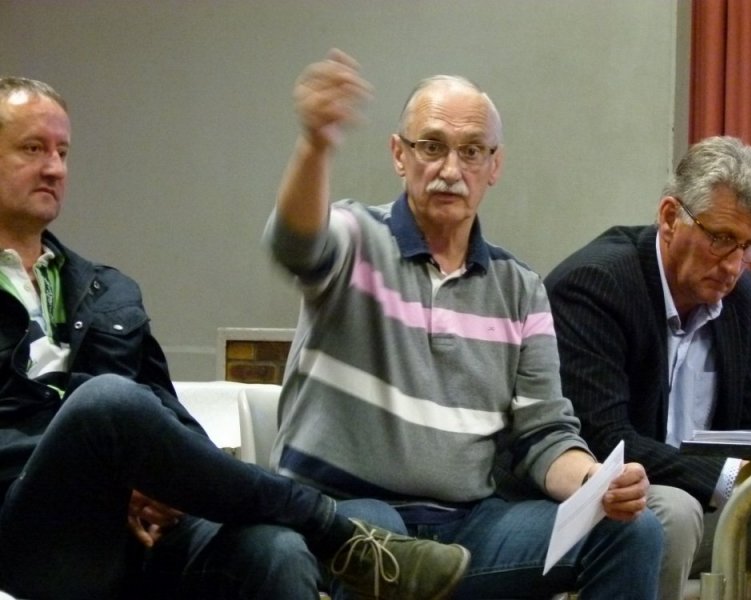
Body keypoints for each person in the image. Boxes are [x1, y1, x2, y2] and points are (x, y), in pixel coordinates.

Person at [0, 76, 472, 600]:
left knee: (275, 550)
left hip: (135, 533)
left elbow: (166, 414)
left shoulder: (105, 289)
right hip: (26, 537)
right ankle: (334, 530)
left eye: (62, 151)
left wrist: (168, 480)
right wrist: (108, 474)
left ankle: (321, 534)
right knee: (105, 401)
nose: (54, 167)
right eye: (33, 149)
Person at [262, 48, 663, 600]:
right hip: (348, 511)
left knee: (632, 531)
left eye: (471, 151)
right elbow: (295, 244)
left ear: (494, 167)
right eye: (432, 147)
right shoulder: (356, 239)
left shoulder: (519, 288)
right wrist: (315, 144)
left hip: (469, 526)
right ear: (399, 154)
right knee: (380, 543)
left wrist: (598, 483)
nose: (451, 170)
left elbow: (545, 435)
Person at [544, 135, 751, 600]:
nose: (734, 266)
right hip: (612, 504)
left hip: (706, 500)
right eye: (721, 239)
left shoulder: (740, 296)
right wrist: (743, 479)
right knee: (675, 512)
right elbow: (606, 437)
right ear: (669, 218)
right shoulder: (596, 285)